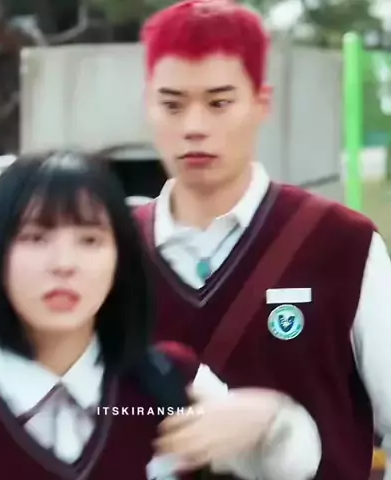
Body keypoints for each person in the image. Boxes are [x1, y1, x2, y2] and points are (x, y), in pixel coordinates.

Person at [0, 150, 320, 479]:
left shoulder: (167, 384)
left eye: (89, 240)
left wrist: (274, 419)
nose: (64, 264)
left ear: (119, 258)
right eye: (35, 238)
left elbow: (292, 464)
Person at [133, 1, 391, 479]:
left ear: (261, 103)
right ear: (148, 105)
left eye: (218, 103)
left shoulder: (344, 246)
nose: (194, 126)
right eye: (172, 104)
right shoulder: (109, 254)